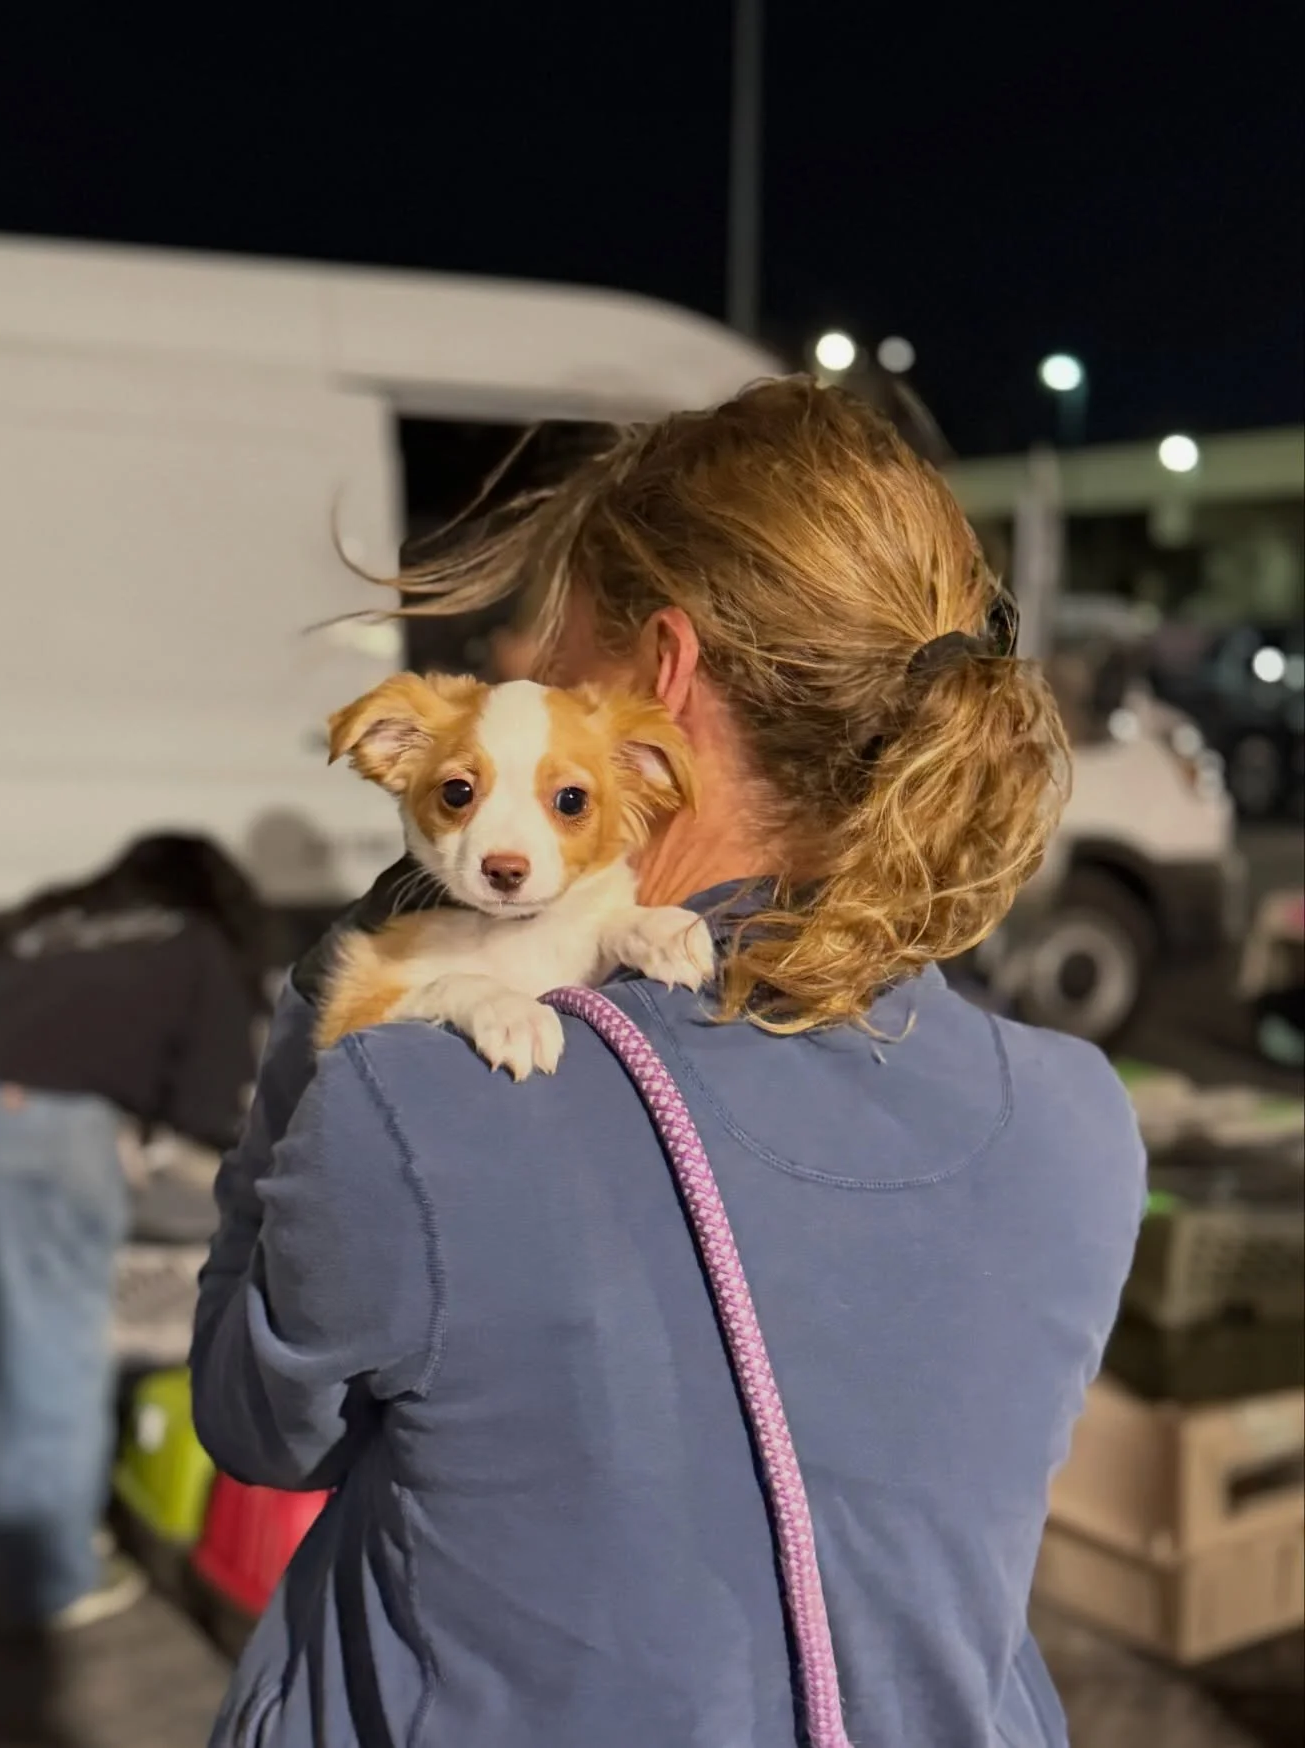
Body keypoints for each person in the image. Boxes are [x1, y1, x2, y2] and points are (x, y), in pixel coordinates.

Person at [192, 381, 1145, 1748]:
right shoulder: (1076, 1119)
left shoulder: (419, 1105)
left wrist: (351, 987)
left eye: (558, 650)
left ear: (659, 675)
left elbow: (252, 1415)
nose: (523, 661)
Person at [0, 833, 267, 1633]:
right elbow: (209, 1110)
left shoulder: (45, 927)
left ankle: (6, 1543)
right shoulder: (194, 946)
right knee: (49, 1352)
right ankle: (52, 1576)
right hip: (34, 1129)